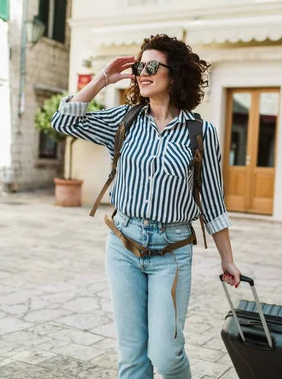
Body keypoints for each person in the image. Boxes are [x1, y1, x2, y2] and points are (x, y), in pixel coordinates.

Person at [51, 34, 241, 379]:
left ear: (176, 73)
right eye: (140, 66)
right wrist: (102, 80)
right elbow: (63, 122)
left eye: (152, 66)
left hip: (173, 250)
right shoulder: (123, 120)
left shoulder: (200, 132)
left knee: (166, 355)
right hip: (124, 244)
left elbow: (212, 200)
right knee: (132, 356)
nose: (142, 72)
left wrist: (228, 258)